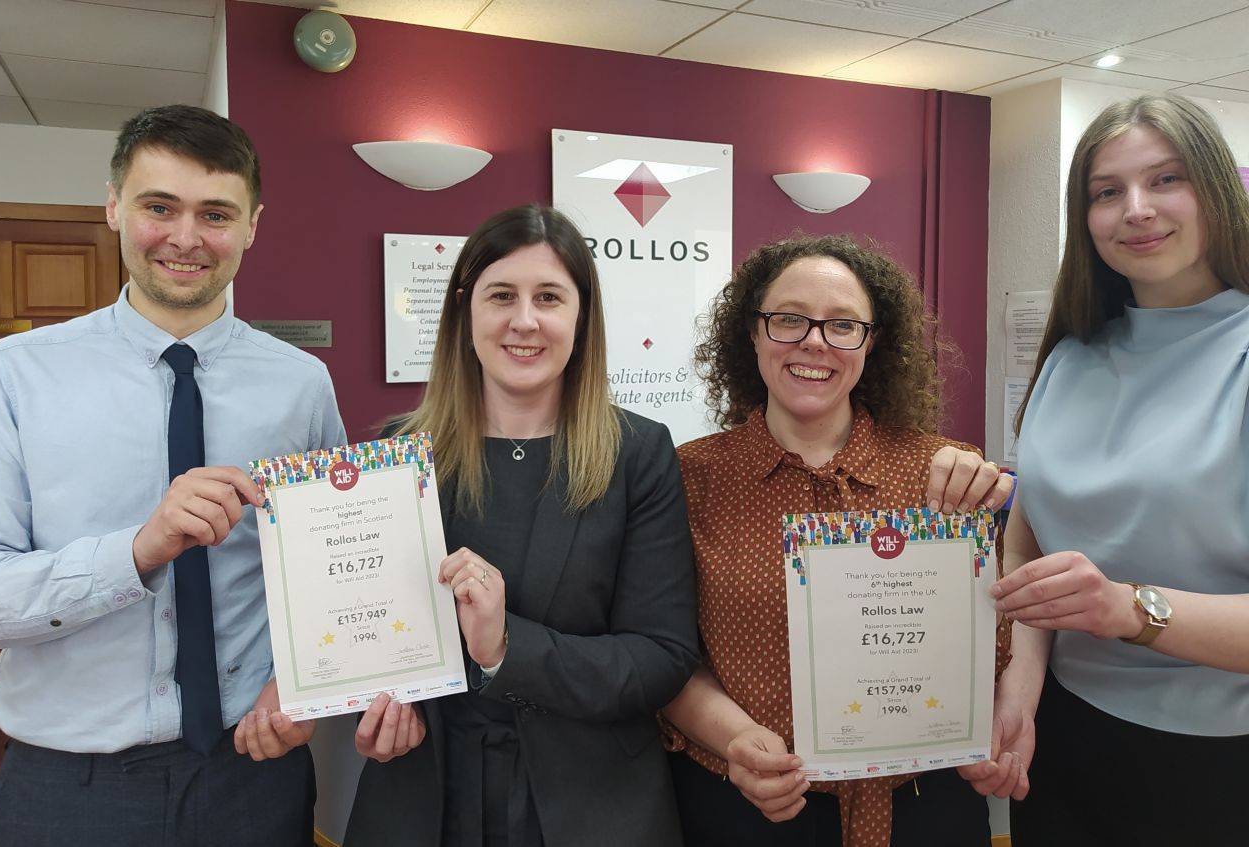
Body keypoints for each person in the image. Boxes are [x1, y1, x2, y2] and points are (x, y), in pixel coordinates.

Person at [0, 105, 346, 846]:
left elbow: (330, 570)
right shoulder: (12, 376)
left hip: (253, 770)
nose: (185, 237)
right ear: (113, 206)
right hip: (68, 784)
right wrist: (137, 549)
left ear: (251, 225)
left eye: (214, 213)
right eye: (158, 207)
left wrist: (307, 682)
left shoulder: (302, 384)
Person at [344, 204, 699, 847]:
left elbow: (661, 658)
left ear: (581, 315)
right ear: (464, 310)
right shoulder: (396, 455)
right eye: (501, 295)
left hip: (590, 807)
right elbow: (368, 639)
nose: (525, 321)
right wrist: (378, 708)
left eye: (550, 298)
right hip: (426, 795)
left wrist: (505, 647)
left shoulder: (637, 453)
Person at [659, 234, 1014, 847]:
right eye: (789, 319)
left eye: (843, 325)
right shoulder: (689, 479)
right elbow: (662, 653)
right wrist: (736, 739)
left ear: (872, 343)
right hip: (748, 803)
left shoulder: (944, 473)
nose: (814, 342)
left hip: (925, 806)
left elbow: (995, 645)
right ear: (752, 332)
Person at [973, 93, 1249, 845]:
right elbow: (1029, 543)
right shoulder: (1071, 353)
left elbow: (1099, 598)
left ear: (1219, 191)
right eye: (1106, 191)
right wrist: (1021, 689)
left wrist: (1129, 609)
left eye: (1166, 179)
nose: (1136, 209)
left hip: (1216, 763)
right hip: (1065, 741)